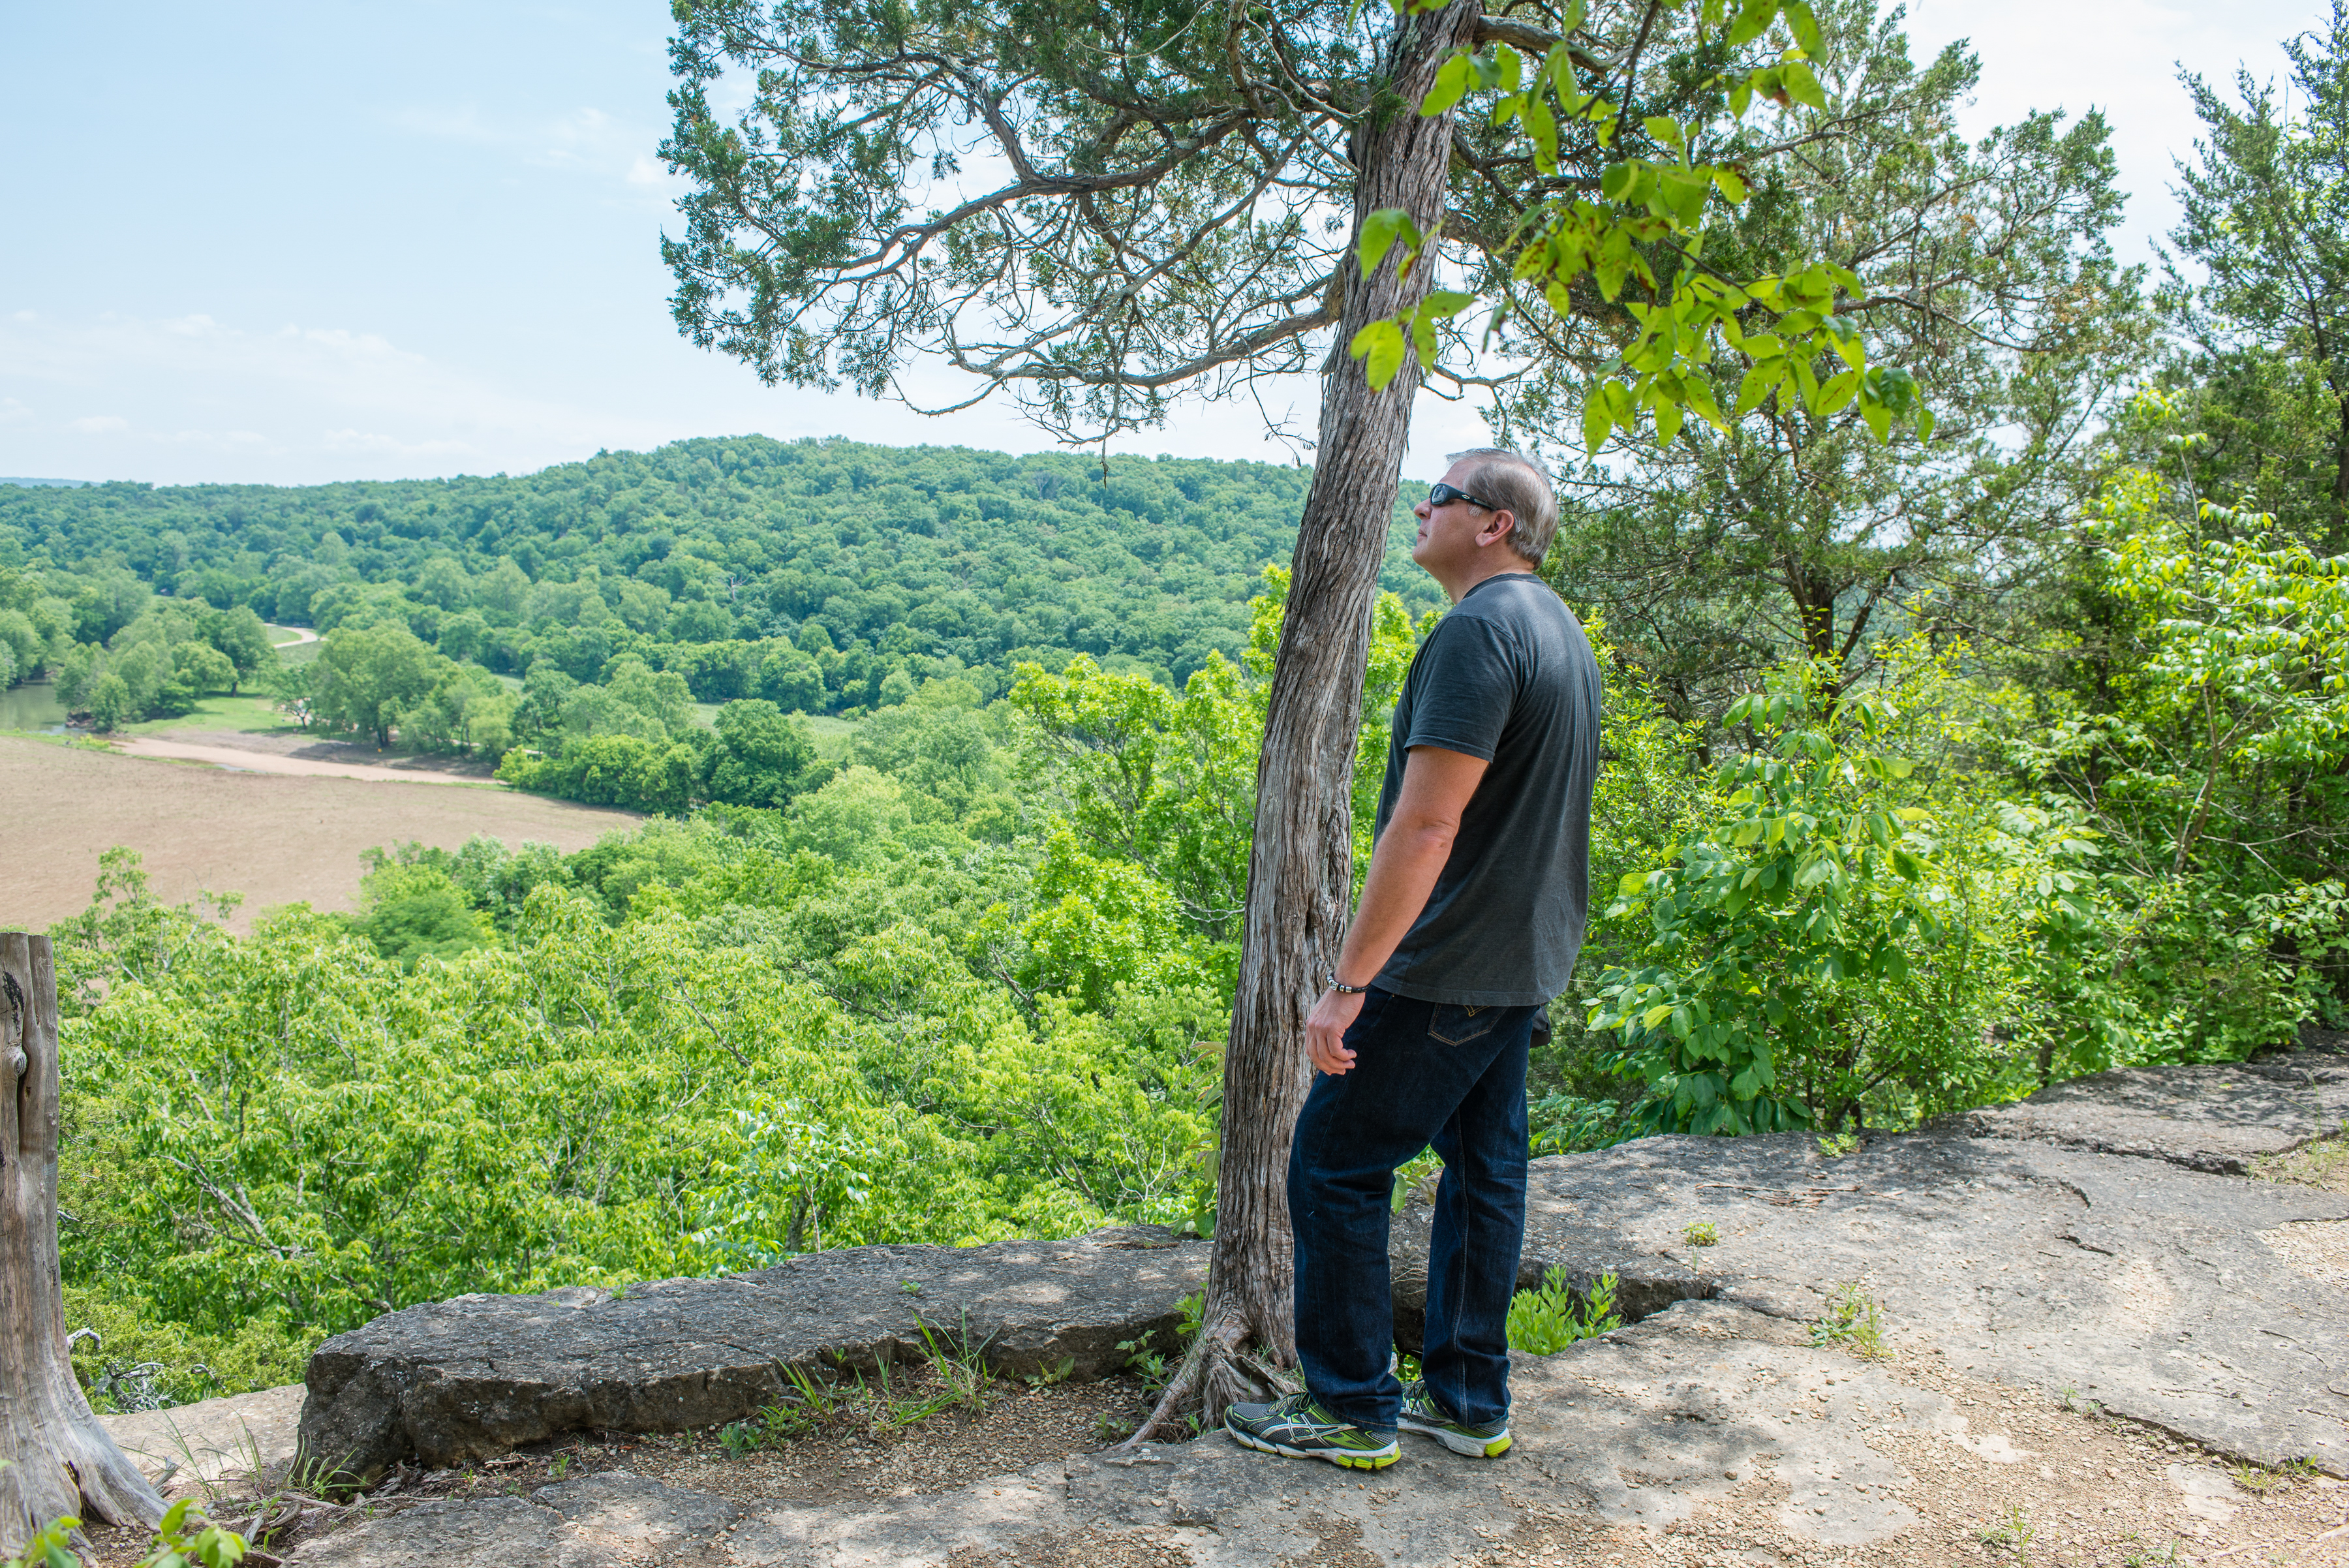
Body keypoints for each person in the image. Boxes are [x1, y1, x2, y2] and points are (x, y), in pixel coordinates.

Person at [1225, 448, 1601, 1471]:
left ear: (1495, 525)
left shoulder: (1478, 633)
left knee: (1335, 1163)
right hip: (1523, 958)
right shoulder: (1557, 628)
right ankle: (1469, 1400)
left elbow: (1426, 826)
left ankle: (1349, 1408)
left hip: (1442, 966)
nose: (1420, 507)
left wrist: (1347, 986)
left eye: (1440, 496)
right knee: (1485, 1175)